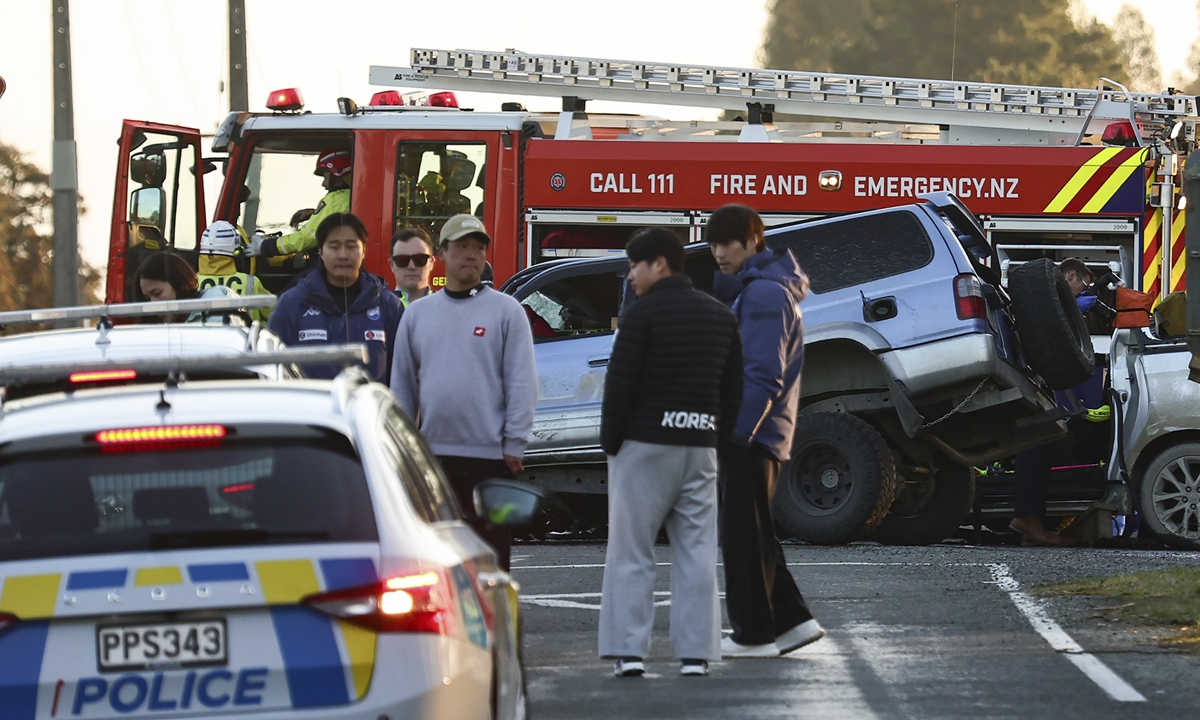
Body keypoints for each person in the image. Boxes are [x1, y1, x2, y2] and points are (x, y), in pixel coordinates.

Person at [597, 228, 743, 679]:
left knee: (631, 550)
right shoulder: (721, 316)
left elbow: (620, 384)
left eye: (633, 266)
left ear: (658, 263)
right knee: (697, 551)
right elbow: (733, 388)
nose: (630, 276)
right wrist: (715, 438)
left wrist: (611, 441)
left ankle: (629, 651)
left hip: (644, 445)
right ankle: (697, 654)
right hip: (700, 446)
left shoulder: (641, 316)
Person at [706, 204, 825, 659]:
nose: (718, 252)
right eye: (714, 243)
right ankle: (793, 622)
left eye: (727, 243)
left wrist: (737, 433)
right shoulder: (763, 290)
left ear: (754, 240)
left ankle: (754, 634)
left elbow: (762, 375)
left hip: (751, 433)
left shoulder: (762, 295)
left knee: (741, 536)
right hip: (760, 432)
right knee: (753, 534)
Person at [389, 214, 537, 571]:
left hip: (492, 459)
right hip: (433, 459)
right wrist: (403, 451)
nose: (471, 254)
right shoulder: (417, 316)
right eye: (461, 246)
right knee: (437, 561)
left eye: (478, 247)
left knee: (492, 562)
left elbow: (522, 381)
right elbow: (403, 386)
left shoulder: (507, 312)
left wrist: (514, 442)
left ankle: (494, 625)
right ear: (442, 253)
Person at [1009, 258, 1106, 547]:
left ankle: (1033, 521)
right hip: (1020, 381)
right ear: (1071, 275)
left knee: (1048, 441)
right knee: (1037, 441)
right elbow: (1045, 327)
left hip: (1027, 381)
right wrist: (1074, 309)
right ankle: (1028, 519)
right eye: (1082, 285)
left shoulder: (1047, 299)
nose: (1081, 291)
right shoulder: (1043, 300)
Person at [268, 213, 401, 383]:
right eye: (334, 246)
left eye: (352, 246)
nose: (343, 255)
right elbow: (271, 370)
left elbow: (401, 376)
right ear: (320, 252)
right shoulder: (292, 303)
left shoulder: (388, 305)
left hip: (368, 408)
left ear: (364, 251)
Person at [249, 150, 352, 257]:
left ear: (338, 179)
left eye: (326, 177)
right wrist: (314, 214)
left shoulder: (337, 199)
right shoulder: (348, 198)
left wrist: (267, 246)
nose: (323, 184)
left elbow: (309, 237)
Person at [196, 220, 275, 322]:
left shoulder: (191, 282)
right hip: (245, 336)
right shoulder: (250, 282)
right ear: (235, 254)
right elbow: (275, 313)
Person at [134, 251, 241, 323]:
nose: (152, 305)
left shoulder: (216, 302)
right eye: (147, 299)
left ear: (179, 283)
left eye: (157, 293)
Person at [390, 227, 435, 306]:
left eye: (420, 259)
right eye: (402, 260)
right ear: (391, 264)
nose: (411, 266)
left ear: (431, 263)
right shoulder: (380, 309)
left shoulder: (447, 306)